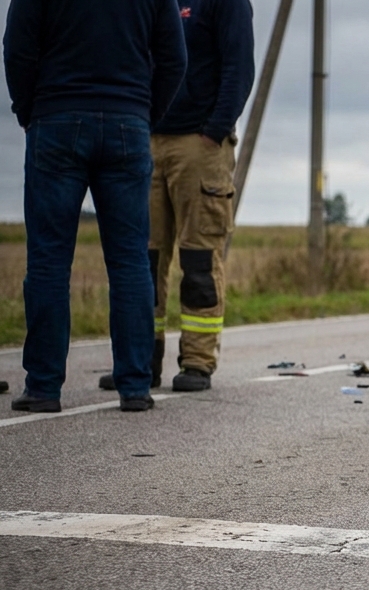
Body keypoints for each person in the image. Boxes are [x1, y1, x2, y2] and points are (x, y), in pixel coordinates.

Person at [4, 0, 187, 413]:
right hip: (128, 119)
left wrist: (27, 110)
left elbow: (16, 48)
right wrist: (144, 113)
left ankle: (44, 387)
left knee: (49, 261)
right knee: (130, 262)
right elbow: (175, 59)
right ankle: (135, 385)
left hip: (56, 117)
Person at [98, 0, 255, 394]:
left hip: (200, 145)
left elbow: (239, 68)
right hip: (147, 139)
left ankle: (197, 364)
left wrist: (215, 128)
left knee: (199, 259)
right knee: (142, 260)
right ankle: (140, 362)